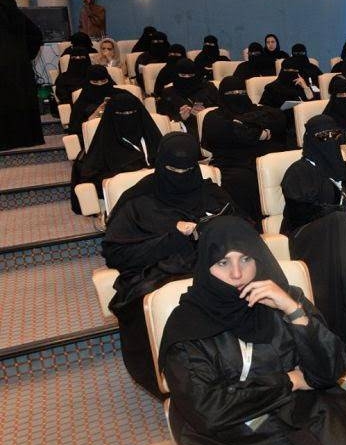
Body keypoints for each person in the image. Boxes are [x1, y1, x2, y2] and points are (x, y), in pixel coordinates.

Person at [159, 216, 346, 445]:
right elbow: (209, 410)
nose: (237, 274)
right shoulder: (187, 328)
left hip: (303, 412)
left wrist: (293, 312)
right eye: (223, 263)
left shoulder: (282, 297)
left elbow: (329, 369)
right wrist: (289, 381)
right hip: (234, 436)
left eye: (245, 260)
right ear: (206, 266)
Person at [102, 133, 237, 398]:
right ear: (161, 165)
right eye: (173, 170)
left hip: (213, 265)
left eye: (187, 170)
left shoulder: (210, 192)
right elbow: (117, 254)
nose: (181, 176)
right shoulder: (137, 200)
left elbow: (243, 231)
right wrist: (172, 237)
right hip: (158, 272)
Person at [281, 115, 346, 343]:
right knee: (338, 222)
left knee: (345, 227)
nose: (329, 141)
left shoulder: (343, 168)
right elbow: (300, 211)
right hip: (306, 236)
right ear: (310, 140)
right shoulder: (297, 171)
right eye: (322, 137)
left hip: (344, 236)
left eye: (334, 136)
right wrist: (345, 212)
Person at [203, 76, 287, 227]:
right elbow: (226, 132)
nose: (237, 96)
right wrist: (259, 133)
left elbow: (280, 119)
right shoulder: (213, 117)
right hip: (232, 164)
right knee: (242, 182)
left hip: (263, 161)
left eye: (240, 91)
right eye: (232, 93)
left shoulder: (259, 110)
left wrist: (246, 127)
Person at [70, 91, 162, 214]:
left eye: (132, 113)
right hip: (127, 201)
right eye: (121, 114)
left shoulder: (151, 136)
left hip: (160, 194)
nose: (128, 117)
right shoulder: (104, 143)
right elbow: (91, 178)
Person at [0, 0, 44, 150]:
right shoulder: (17, 16)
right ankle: (26, 138)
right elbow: (36, 35)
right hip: (19, 69)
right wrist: (25, 55)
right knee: (21, 103)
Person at [158, 59, 220, 136]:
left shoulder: (209, 88)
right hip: (181, 134)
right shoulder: (168, 93)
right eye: (183, 75)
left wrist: (205, 114)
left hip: (209, 130)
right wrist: (180, 118)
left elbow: (221, 109)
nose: (187, 78)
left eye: (191, 75)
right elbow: (163, 120)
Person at [67, 65, 118, 139]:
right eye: (95, 82)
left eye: (103, 81)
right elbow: (75, 131)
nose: (100, 84)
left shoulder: (120, 95)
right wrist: (96, 113)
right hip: (94, 140)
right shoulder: (81, 104)